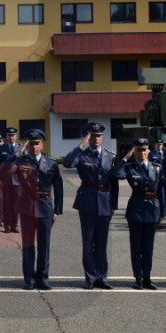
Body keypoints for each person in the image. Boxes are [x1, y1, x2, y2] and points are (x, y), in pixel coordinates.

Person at [62, 122, 119, 289]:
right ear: (88, 137)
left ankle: (102, 277)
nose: (95, 139)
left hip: (105, 203)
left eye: (98, 136)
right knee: (88, 244)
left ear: (102, 137)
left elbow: (114, 183)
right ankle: (91, 277)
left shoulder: (110, 156)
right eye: (92, 136)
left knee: (102, 243)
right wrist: (80, 146)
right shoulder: (82, 155)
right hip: (87, 202)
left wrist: (114, 205)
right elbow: (67, 163)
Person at [9, 129, 63, 290]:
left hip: (45, 207)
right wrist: (17, 154)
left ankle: (43, 278)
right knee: (28, 245)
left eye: (37, 143)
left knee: (44, 245)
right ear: (28, 145)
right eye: (31, 144)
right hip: (27, 206)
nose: (34, 147)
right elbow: (3, 169)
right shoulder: (21, 162)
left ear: (42, 145)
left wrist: (57, 211)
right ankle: (29, 279)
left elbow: (59, 188)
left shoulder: (51, 164)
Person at [112, 137, 166, 289]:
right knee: (136, 247)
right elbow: (116, 174)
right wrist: (125, 158)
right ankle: (138, 278)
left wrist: (163, 212)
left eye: (144, 150)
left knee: (148, 247)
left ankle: (147, 277)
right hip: (136, 209)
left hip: (153, 209)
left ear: (148, 151)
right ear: (134, 152)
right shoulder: (130, 168)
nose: (142, 153)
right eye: (138, 150)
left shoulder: (157, 168)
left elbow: (162, 191)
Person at [0, 127, 23, 232]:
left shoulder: (21, 148)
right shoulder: (1, 149)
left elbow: (26, 165)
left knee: (16, 204)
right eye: (9, 135)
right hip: (5, 180)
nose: (11, 137)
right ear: (6, 137)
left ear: (16, 136)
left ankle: (15, 224)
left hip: (18, 180)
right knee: (6, 204)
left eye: (13, 135)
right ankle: (7, 225)